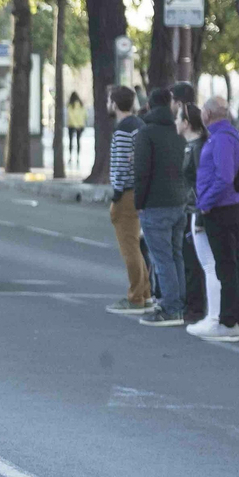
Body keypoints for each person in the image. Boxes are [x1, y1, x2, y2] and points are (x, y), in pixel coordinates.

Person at [185, 97, 239, 341]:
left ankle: (228, 321)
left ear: (208, 114)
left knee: (225, 266)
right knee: (231, 264)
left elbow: (224, 177)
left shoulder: (221, 139)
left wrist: (205, 204)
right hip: (227, 207)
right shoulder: (229, 136)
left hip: (220, 209)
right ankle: (233, 320)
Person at [131, 88, 189, 326]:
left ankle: (170, 308)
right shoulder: (178, 132)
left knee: (161, 258)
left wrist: (139, 203)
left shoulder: (146, 133)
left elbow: (142, 173)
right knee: (176, 256)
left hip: (155, 204)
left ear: (150, 105)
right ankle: (180, 304)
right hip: (179, 202)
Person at [104, 86, 152, 315]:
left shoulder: (123, 130)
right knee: (137, 246)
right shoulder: (139, 126)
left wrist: (116, 195)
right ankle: (145, 293)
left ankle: (135, 297)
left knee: (129, 246)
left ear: (114, 103)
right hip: (140, 191)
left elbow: (122, 166)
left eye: (108, 100)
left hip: (127, 193)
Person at [178, 99, 211, 328]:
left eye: (178, 117)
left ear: (187, 123)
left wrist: (199, 215)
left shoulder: (198, 147)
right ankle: (193, 305)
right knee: (190, 260)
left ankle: (196, 308)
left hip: (196, 211)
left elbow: (202, 184)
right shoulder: (191, 146)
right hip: (190, 208)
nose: (175, 122)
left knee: (197, 263)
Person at [66, 92, 87, 163]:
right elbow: (85, 115)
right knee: (78, 141)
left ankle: (70, 157)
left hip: (71, 125)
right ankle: (77, 157)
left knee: (71, 141)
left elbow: (70, 115)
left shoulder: (70, 105)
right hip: (80, 125)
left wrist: (75, 124)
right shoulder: (81, 105)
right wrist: (81, 124)